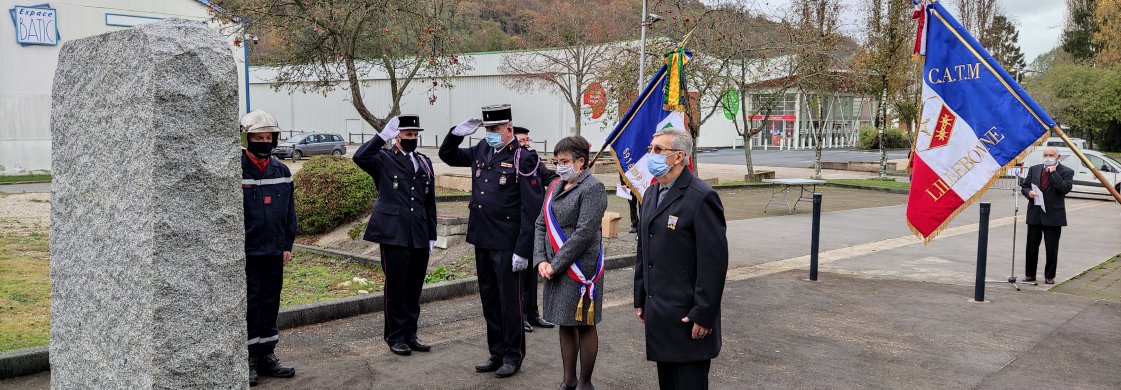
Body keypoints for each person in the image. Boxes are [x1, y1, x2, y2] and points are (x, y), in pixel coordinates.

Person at [439, 104, 545, 378]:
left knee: (510, 304)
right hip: (483, 238)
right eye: (487, 129)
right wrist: (456, 133)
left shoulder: (524, 158)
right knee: (490, 300)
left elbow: (530, 209)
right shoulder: (481, 150)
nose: (490, 134)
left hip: (508, 243)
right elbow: (447, 155)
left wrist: (523, 250)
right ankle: (496, 352)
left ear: (509, 129)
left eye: (495, 129)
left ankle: (513, 355)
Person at [633, 128, 728, 390]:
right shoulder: (652, 193)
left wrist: (703, 314)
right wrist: (640, 297)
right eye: (650, 148)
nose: (650, 154)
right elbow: (645, 249)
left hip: (688, 315)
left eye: (657, 150)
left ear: (678, 157)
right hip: (660, 312)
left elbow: (714, 263)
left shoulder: (701, 197)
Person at [352, 115, 437, 356]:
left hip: (419, 233)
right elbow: (359, 157)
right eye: (408, 134)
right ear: (397, 136)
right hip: (393, 233)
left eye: (415, 135)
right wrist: (380, 137)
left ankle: (411, 333)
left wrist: (432, 233)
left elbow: (429, 201)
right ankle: (395, 336)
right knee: (396, 287)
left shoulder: (425, 162)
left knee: (414, 287)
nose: (412, 138)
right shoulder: (384, 159)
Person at [533, 135, 608, 390]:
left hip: (579, 269)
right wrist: (541, 260)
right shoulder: (555, 186)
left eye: (564, 161)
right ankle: (568, 380)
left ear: (580, 162)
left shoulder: (593, 188)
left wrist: (556, 264)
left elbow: (584, 233)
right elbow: (541, 224)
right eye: (556, 161)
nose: (559, 166)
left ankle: (585, 383)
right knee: (564, 322)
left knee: (584, 325)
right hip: (553, 267)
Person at [240, 110, 298, 386]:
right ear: (247, 138)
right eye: (258, 137)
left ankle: (267, 354)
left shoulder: (282, 171)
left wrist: (287, 244)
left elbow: (290, 212)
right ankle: (249, 357)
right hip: (247, 253)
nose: (264, 141)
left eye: (268, 137)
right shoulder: (236, 170)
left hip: (274, 251)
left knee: (270, 302)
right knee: (251, 304)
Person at [514, 125, 557, 333]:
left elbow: (547, 176)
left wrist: (564, 181)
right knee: (519, 276)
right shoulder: (513, 161)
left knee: (532, 272)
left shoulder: (533, 158)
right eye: (522, 141)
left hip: (535, 222)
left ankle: (532, 313)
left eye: (527, 140)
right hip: (517, 225)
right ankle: (519, 315)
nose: (526, 144)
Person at [1021, 146, 1073, 284]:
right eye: (1045, 155)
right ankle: (1030, 274)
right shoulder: (1034, 169)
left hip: (1053, 216)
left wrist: (1053, 173)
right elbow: (1025, 186)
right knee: (1031, 247)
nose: (1048, 157)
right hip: (1035, 214)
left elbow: (1065, 188)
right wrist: (1028, 193)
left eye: (1051, 155)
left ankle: (1049, 276)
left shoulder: (1066, 171)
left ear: (1058, 157)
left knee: (1051, 248)